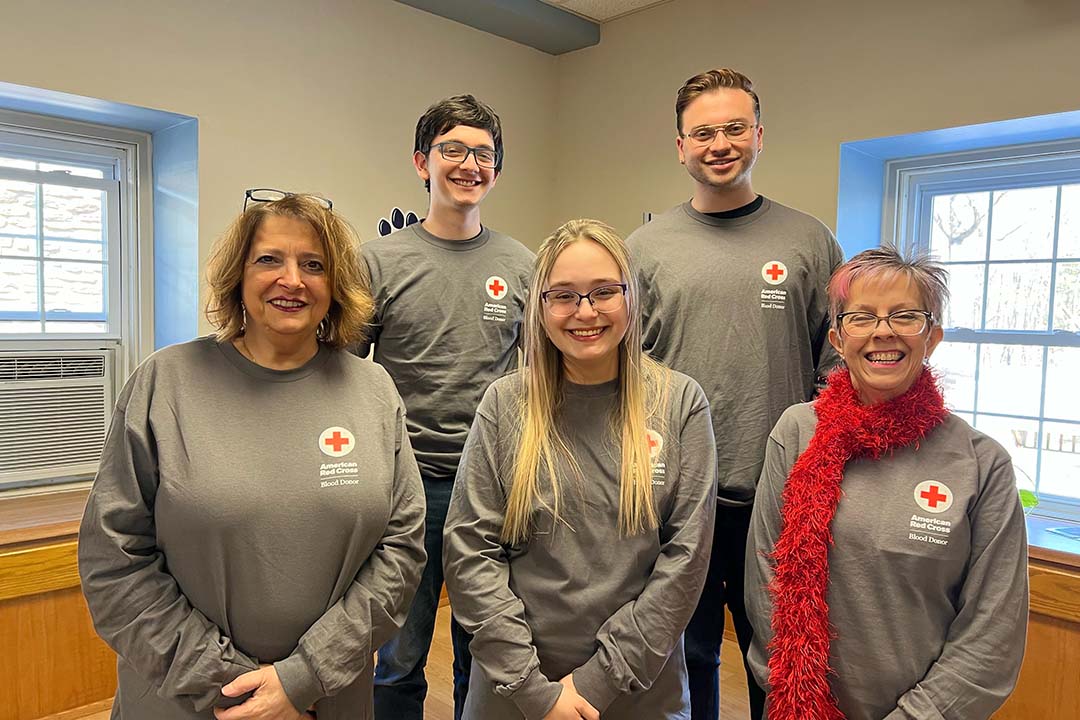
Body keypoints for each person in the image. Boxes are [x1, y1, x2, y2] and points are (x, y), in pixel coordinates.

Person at [78, 190, 427, 720]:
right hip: (187, 699)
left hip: (328, 698)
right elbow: (114, 560)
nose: (292, 279)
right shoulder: (166, 383)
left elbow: (401, 552)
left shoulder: (373, 390)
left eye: (314, 264)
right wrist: (238, 689)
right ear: (238, 275)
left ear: (335, 286)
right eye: (269, 259)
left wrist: (301, 680)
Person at [626, 68, 844, 720]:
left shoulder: (810, 241)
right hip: (675, 499)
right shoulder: (642, 248)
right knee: (685, 660)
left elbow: (835, 373)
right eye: (702, 133)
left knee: (778, 660)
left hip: (780, 502)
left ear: (758, 134)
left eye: (733, 128)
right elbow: (620, 376)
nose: (718, 144)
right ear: (680, 146)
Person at [444, 219, 717, 720]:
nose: (584, 312)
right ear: (540, 307)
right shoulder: (506, 404)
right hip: (514, 688)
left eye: (603, 292)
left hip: (638, 685)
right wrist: (532, 690)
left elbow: (686, 560)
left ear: (631, 298)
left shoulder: (679, 403)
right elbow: (469, 551)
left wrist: (596, 683)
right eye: (563, 295)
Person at [745, 247, 1029, 719]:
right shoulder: (796, 432)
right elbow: (763, 582)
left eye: (904, 315)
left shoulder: (982, 464)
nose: (883, 331)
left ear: (931, 336)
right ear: (837, 338)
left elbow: (991, 636)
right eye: (862, 317)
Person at [360, 94, 535, 720]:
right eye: (453, 150)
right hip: (407, 487)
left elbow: (537, 377)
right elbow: (346, 379)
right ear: (421, 162)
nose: (469, 164)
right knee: (398, 654)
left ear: (497, 169)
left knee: (484, 646)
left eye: (483, 153)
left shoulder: (522, 265)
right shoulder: (378, 262)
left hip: (494, 485)